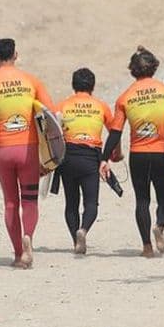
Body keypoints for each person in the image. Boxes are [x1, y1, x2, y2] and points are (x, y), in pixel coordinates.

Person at [100, 46, 164, 258]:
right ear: (154, 67)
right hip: (162, 155)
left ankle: (147, 247)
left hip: (138, 156)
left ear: (133, 70)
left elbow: (115, 133)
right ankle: (159, 226)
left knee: (142, 201)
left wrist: (105, 158)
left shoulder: (125, 97)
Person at [0, 38, 54, 268]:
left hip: (4, 152)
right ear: (16, 55)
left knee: (10, 203)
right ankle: (28, 236)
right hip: (28, 151)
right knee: (29, 200)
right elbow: (51, 116)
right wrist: (51, 155)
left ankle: (19, 254)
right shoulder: (31, 81)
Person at [55, 68, 115, 255]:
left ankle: (76, 240)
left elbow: (50, 130)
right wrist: (113, 155)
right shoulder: (101, 106)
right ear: (93, 86)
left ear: (73, 86)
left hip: (68, 156)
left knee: (71, 203)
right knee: (91, 203)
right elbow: (115, 132)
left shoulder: (63, 105)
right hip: (90, 157)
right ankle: (84, 230)